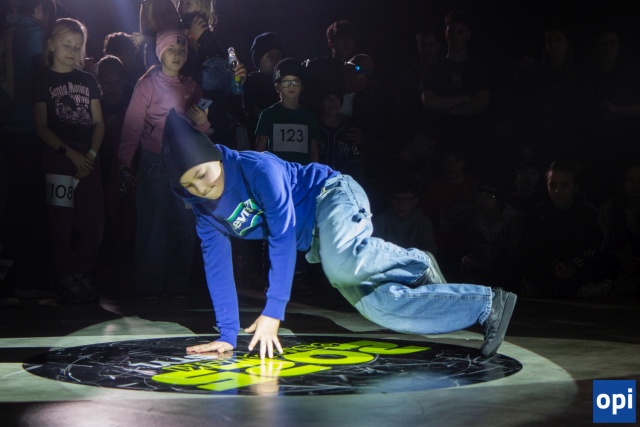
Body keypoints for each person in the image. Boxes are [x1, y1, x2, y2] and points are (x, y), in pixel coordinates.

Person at [160, 108, 518, 360]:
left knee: (339, 266)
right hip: (318, 241)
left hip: (331, 195)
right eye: (189, 185)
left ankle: (416, 262)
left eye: (202, 175)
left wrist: (274, 311)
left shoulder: (258, 168)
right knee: (380, 308)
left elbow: (281, 237)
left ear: (215, 157)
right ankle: (487, 305)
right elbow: (217, 266)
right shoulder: (205, 210)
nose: (201, 189)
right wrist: (227, 334)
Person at [118, 30, 210, 298]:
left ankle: (177, 283)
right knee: (153, 223)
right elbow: (132, 127)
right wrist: (125, 162)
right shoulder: (146, 85)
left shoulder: (193, 87)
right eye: (171, 49)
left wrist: (203, 121)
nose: (177, 55)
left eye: (181, 51)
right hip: (154, 162)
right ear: (160, 53)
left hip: (185, 165)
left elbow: (202, 132)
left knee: (184, 224)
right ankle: (149, 284)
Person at [33, 18, 105, 303]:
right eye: (67, 45)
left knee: (93, 219)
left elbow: (99, 123)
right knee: (60, 220)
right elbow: (41, 127)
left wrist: (90, 155)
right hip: (59, 156)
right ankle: (65, 274)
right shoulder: (43, 80)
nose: (73, 52)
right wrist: (69, 154)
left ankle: (83, 271)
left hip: (88, 157)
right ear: (51, 44)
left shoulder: (88, 80)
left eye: (78, 47)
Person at [0, 0, 56, 298]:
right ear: (39, 10)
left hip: (9, 125)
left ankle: (12, 271)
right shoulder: (33, 34)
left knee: (15, 199)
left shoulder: (7, 32)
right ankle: (24, 277)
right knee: (28, 203)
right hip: (28, 125)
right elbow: (38, 83)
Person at [255, 58, 319, 164]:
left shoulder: (310, 117)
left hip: (302, 172)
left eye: (295, 81)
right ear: (277, 87)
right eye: (285, 82)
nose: (291, 86)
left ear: (302, 85)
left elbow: (314, 152)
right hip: (277, 171)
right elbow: (259, 152)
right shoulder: (267, 115)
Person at [243, 32, 283, 145]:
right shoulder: (249, 83)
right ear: (258, 60)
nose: (275, 60)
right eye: (270, 56)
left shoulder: (287, 83)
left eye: (278, 55)